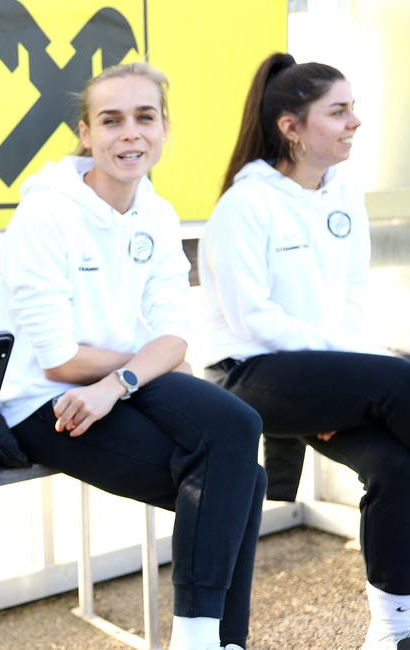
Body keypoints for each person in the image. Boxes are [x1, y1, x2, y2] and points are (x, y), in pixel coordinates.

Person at [0, 62, 266, 650]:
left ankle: (205, 639)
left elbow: (174, 336)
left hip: (114, 384)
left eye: (145, 117)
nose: (130, 134)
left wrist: (120, 382)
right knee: (240, 473)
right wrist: (140, 367)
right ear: (87, 133)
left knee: (237, 431)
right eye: (111, 120)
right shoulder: (45, 214)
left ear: (165, 127)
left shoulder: (157, 214)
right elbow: (58, 359)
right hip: (44, 401)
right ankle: (210, 640)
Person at [199, 52, 410, 650]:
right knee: (399, 380)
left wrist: (340, 385)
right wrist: (347, 383)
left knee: (397, 466)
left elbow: (352, 294)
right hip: (244, 374)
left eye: (354, 109)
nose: (356, 123)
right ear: (291, 128)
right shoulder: (245, 206)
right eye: (338, 111)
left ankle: (393, 630)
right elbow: (253, 319)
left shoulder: (344, 194)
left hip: (325, 375)